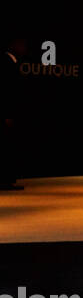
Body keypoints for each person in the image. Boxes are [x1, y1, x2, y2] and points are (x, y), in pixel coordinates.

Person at [0, 36, 26, 190]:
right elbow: (6, 91)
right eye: (21, 45)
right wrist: (8, 114)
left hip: (9, 112)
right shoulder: (7, 63)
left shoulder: (11, 62)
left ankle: (7, 178)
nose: (24, 49)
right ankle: (6, 179)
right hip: (8, 113)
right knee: (6, 145)